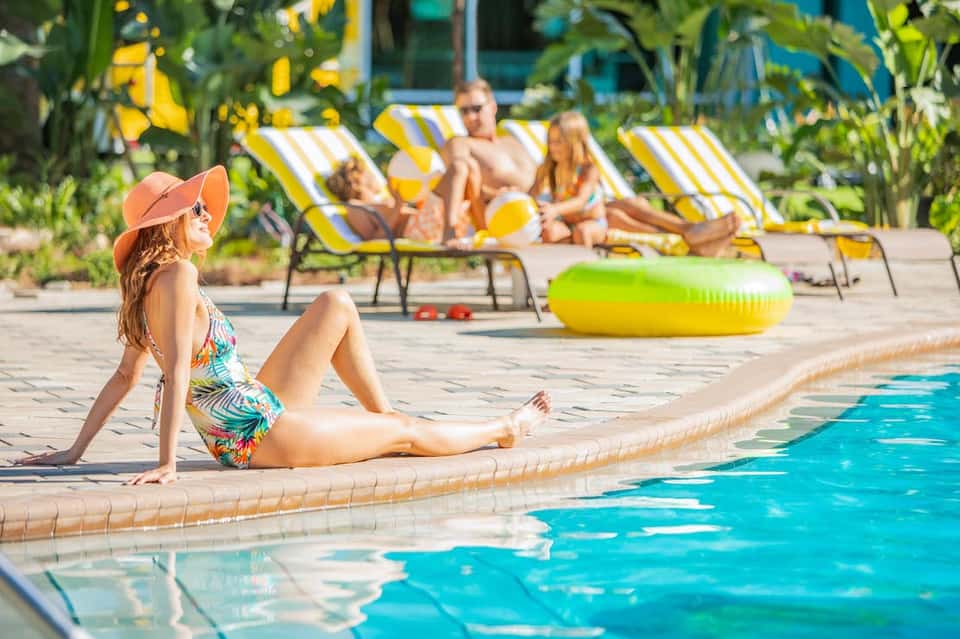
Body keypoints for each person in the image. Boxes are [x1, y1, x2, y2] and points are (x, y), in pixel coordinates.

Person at [14, 167, 551, 484]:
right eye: (194, 209)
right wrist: (167, 465)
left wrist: (75, 450)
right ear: (168, 222)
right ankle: (503, 429)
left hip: (250, 408)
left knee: (336, 304)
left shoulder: (152, 282)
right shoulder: (176, 274)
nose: (205, 216)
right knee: (405, 435)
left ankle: (381, 418)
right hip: (256, 435)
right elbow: (176, 372)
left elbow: (126, 377)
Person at [434, 77, 739, 255]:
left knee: (624, 207)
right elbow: (461, 175)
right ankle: (689, 237)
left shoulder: (513, 142)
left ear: (493, 106)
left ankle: (689, 238)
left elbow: (546, 182)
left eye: (476, 108)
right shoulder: (461, 144)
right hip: (515, 217)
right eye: (463, 111)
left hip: (553, 208)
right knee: (610, 214)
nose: (470, 117)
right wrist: (500, 193)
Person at [326, 156, 471, 244]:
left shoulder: (381, 200)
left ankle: (483, 229)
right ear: (356, 182)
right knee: (457, 168)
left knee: (471, 168)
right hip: (419, 229)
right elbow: (374, 240)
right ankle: (449, 234)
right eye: (367, 174)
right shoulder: (355, 207)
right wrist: (398, 204)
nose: (374, 176)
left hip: (433, 221)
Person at [530, 111, 608, 249]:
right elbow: (531, 195)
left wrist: (554, 209)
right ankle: (556, 269)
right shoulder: (548, 168)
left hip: (593, 223)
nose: (552, 147)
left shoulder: (588, 169)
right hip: (566, 224)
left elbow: (580, 201)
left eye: (558, 142)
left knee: (582, 232)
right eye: (550, 141)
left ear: (575, 142)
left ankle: (586, 269)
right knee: (549, 231)